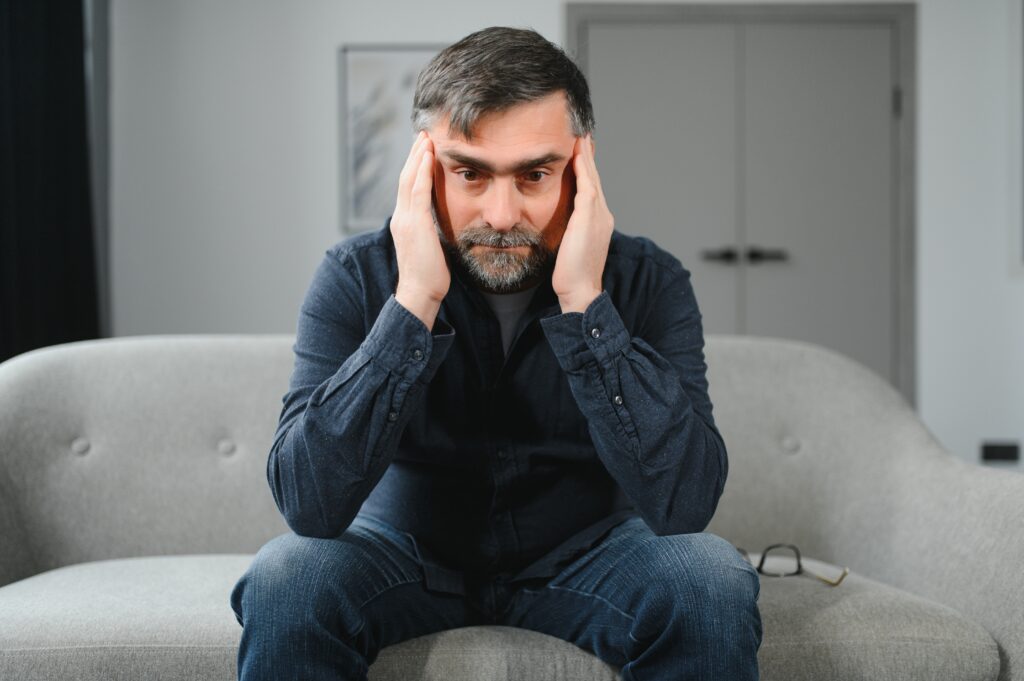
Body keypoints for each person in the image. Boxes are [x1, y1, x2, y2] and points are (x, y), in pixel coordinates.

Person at [230, 26, 762, 681]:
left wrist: (586, 302)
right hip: (405, 554)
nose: (503, 214)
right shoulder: (355, 276)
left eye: (535, 174)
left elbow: (685, 505)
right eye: (470, 174)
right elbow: (309, 506)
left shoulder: (650, 281)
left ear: (580, 167)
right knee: (288, 577)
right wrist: (414, 302)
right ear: (425, 167)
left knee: (709, 579)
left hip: (586, 555)